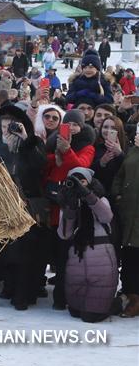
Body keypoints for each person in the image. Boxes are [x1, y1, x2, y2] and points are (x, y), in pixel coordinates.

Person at [0, 104, 46, 310]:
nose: (9, 127)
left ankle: (20, 296)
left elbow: (40, 166)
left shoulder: (33, 143)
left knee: (25, 255)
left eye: (13, 124)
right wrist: (4, 148)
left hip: (26, 207)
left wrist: (26, 141)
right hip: (0, 207)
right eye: (5, 123)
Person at [44, 109, 96, 309]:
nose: (72, 128)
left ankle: (62, 297)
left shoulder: (87, 146)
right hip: (52, 204)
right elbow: (45, 164)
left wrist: (66, 150)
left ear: (82, 127)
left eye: (75, 125)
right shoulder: (53, 141)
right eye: (68, 124)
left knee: (66, 253)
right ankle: (51, 292)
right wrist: (54, 158)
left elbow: (81, 167)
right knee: (53, 250)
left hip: (70, 207)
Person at [55, 167, 119, 322]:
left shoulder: (100, 200)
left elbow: (106, 217)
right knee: (75, 312)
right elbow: (64, 234)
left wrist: (89, 197)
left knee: (90, 317)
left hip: (101, 259)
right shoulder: (68, 204)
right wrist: (70, 209)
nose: (78, 185)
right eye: (74, 181)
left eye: (82, 181)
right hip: (77, 259)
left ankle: (117, 304)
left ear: (90, 182)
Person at [113, 133, 139, 317]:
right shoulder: (133, 152)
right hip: (129, 214)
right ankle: (131, 295)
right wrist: (118, 195)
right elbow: (120, 176)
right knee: (130, 258)